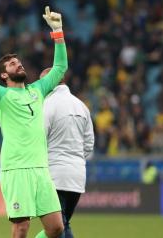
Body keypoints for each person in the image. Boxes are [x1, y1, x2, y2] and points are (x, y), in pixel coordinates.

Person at [0, 6, 68, 238]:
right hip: (16, 169)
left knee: (56, 228)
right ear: (4, 75)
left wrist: (58, 32)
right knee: (21, 228)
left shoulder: (38, 89)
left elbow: (60, 67)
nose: (19, 64)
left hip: (41, 168)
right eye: (12, 64)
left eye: (19, 61)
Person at [40, 68, 95, 238]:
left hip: (55, 174)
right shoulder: (81, 106)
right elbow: (89, 144)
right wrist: (74, 159)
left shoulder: (47, 104)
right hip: (77, 176)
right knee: (63, 224)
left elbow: (39, 138)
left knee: (57, 228)